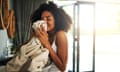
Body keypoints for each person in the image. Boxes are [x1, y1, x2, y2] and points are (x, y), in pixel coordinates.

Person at [6, 1, 72, 72]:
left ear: (56, 20)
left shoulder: (60, 35)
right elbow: (20, 50)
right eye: (42, 19)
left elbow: (63, 67)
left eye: (48, 18)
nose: (44, 22)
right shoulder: (40, 34)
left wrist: (46, 44)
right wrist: (32, 38)